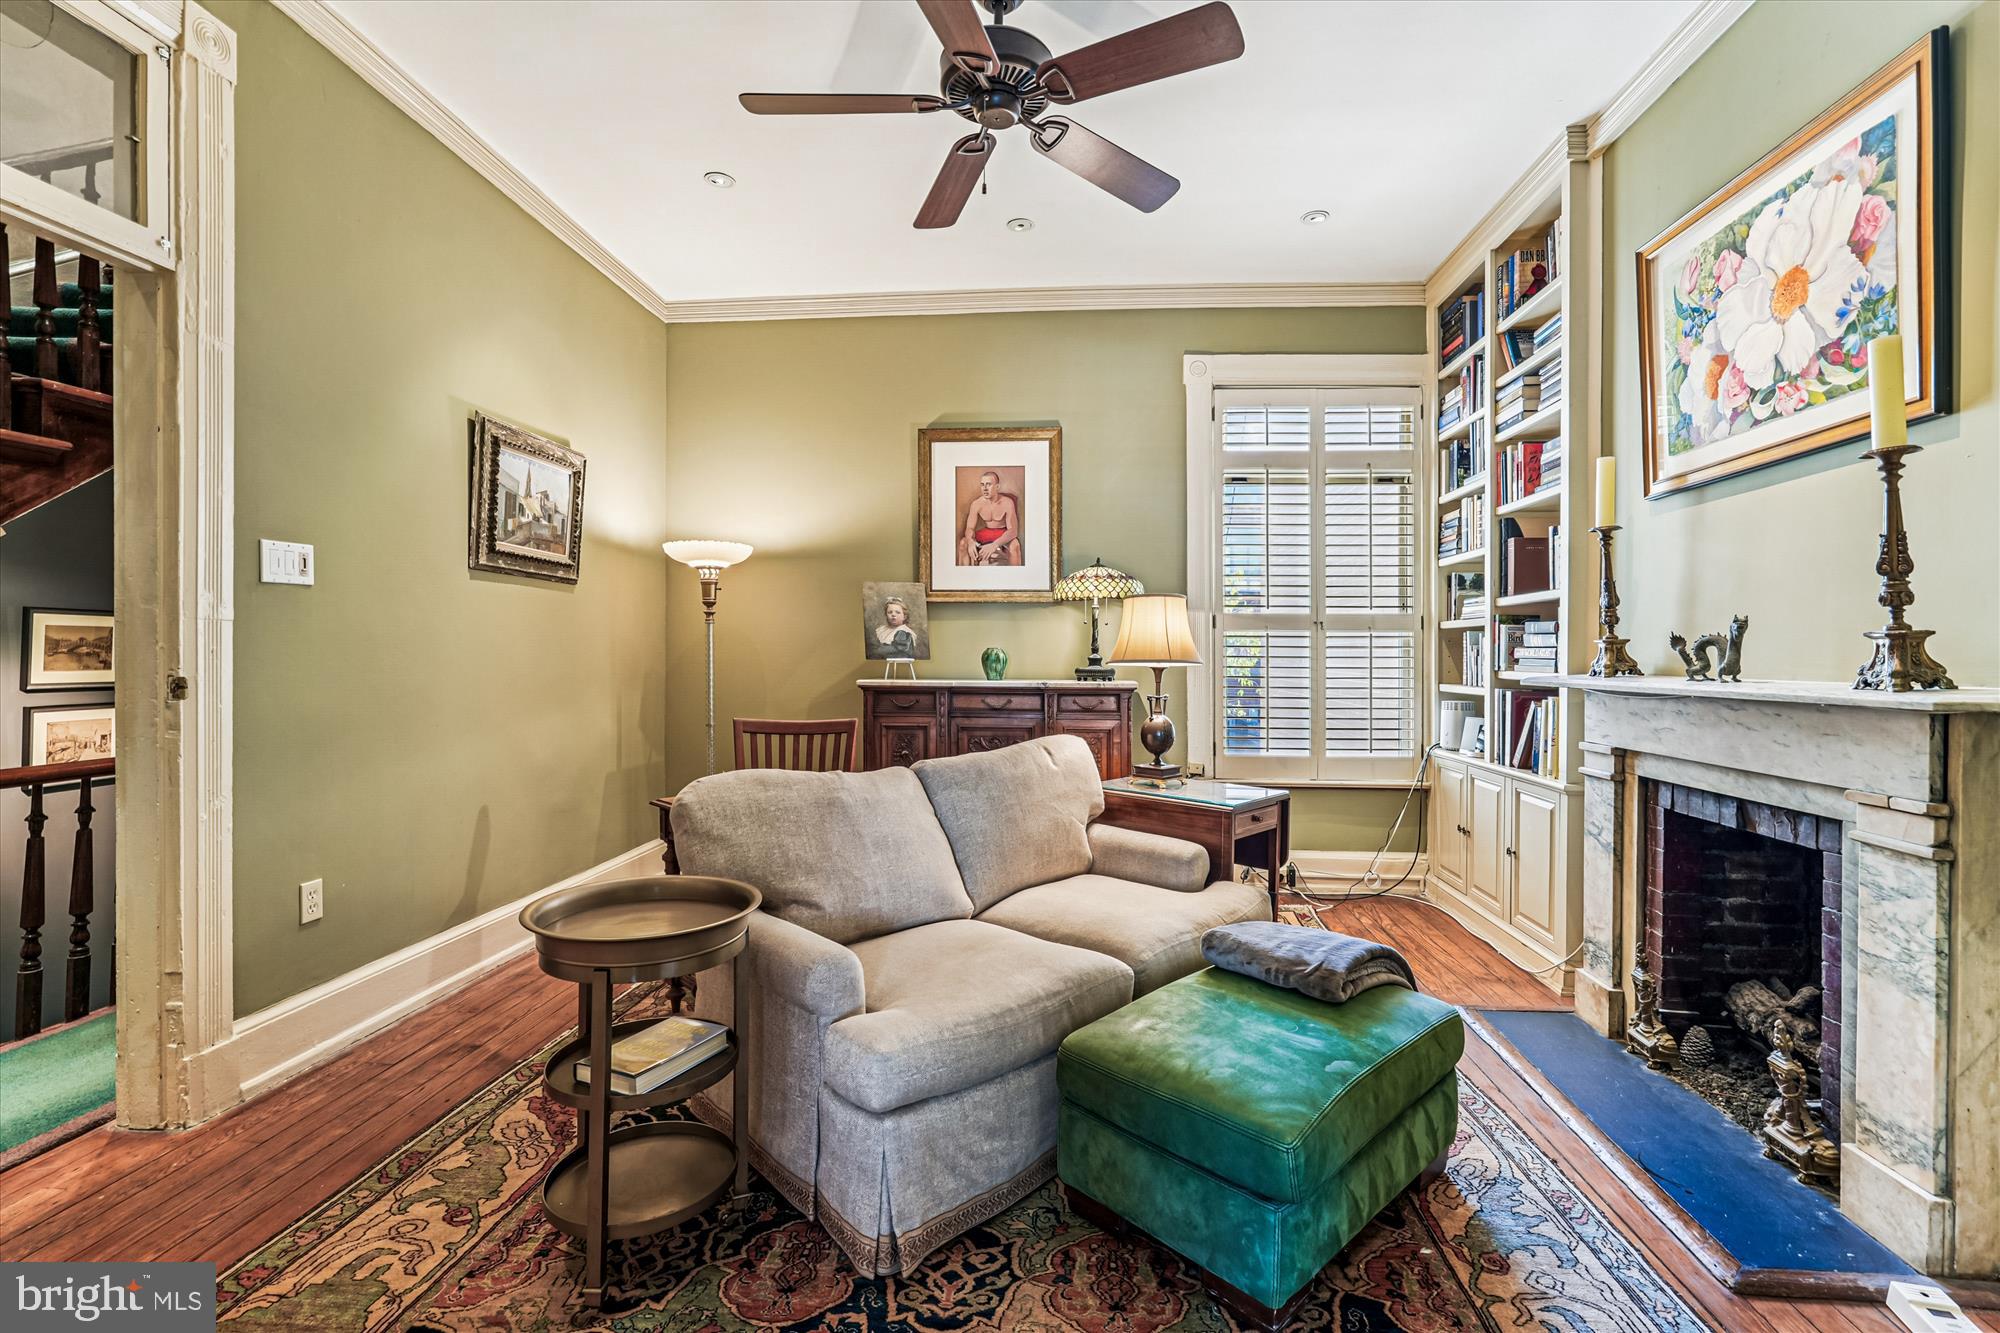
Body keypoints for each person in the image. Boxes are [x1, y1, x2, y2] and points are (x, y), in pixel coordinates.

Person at [958, 470, 1021, 566]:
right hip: (985, 533)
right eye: (982, 485)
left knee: (1015, 545)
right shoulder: (976, 504)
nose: (985, 488)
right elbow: (969, 528)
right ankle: (963, 577)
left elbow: (1013, 531)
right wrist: (970, 541)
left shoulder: (1007, 502)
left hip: (1002, 534)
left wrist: (994, 545)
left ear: (997, 487)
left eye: (988, 484)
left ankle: (1017, 577)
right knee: (963, 543)